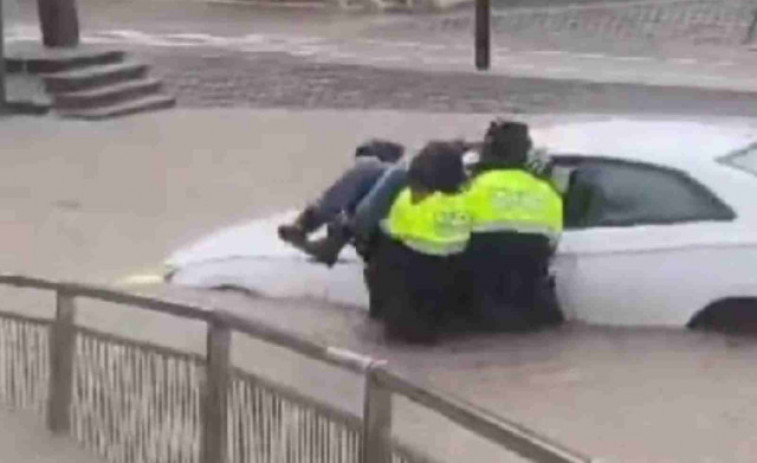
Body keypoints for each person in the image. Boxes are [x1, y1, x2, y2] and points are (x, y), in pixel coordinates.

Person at [365, 141, 471, 344]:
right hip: (449, 308)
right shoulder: (466, 203)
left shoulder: (406, 202)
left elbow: (378, 237)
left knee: (379, 241)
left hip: (405, 316)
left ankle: (378, 314)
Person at [463, 120, 564, 331]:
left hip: (480, 309)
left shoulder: (472, 188)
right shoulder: (546, 193)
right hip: (532, 309)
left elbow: (451, 238)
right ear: (525, 154)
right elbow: (554, 242)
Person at [277, 139, 405, 265]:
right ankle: (313, 229)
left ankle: (305, 225)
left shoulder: (372, 167)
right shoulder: (401, 176)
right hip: (399, 241)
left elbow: (336, 203)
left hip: (392, 240)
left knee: (365, 172)